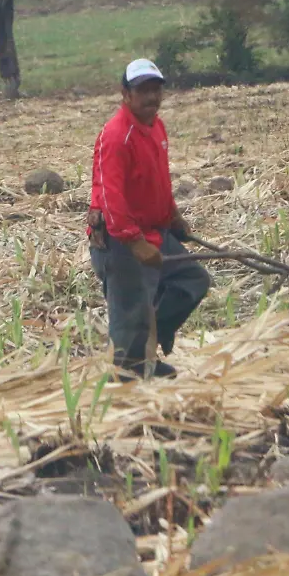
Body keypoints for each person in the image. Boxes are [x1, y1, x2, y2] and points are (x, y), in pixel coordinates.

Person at [86, 58, 211, 380]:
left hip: (153, 228)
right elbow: (111, 197)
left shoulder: (156, 127)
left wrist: (174, 216)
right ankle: (129, 374)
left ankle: (148, 344)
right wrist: (133, 241)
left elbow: (159, 180)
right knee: (130, 309)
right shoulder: (115, 136)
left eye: (156, 90)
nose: (151, 97)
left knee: (193, 281)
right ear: (126, 94)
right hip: (119, 237)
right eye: (143, 91)